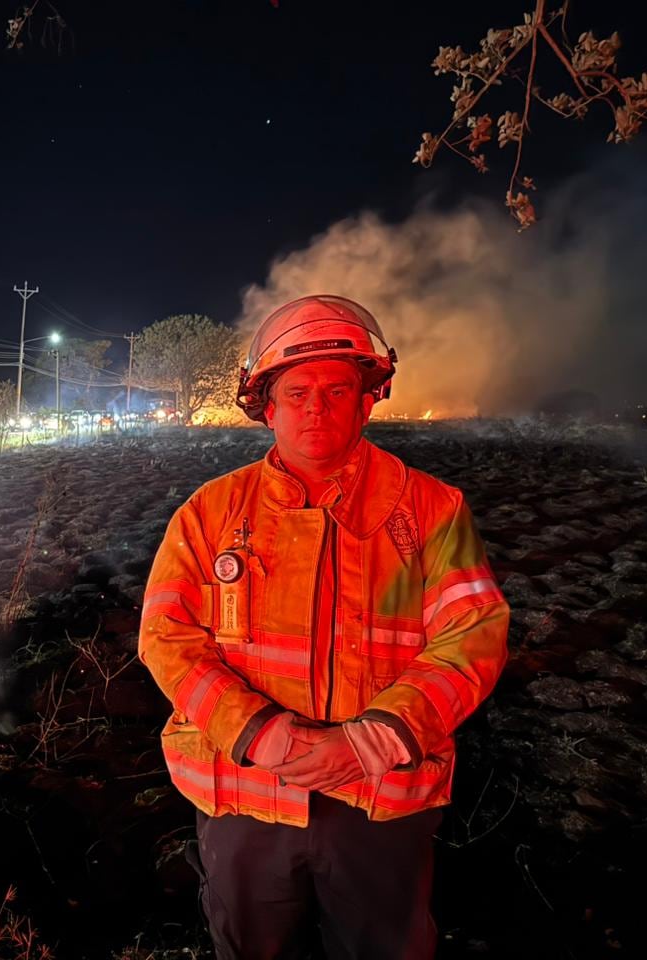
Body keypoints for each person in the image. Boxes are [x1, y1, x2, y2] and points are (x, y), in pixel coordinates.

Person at [139, 295, 509, 960]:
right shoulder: (208, 514)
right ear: (266, 406)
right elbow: (166, 638)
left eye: (338, 390)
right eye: (298, 391)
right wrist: (259, 732)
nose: (317, 407)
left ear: (369, 399)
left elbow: (472, 636)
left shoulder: (432, 511)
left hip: (379, 801)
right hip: (245, 797)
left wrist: (368, 742)